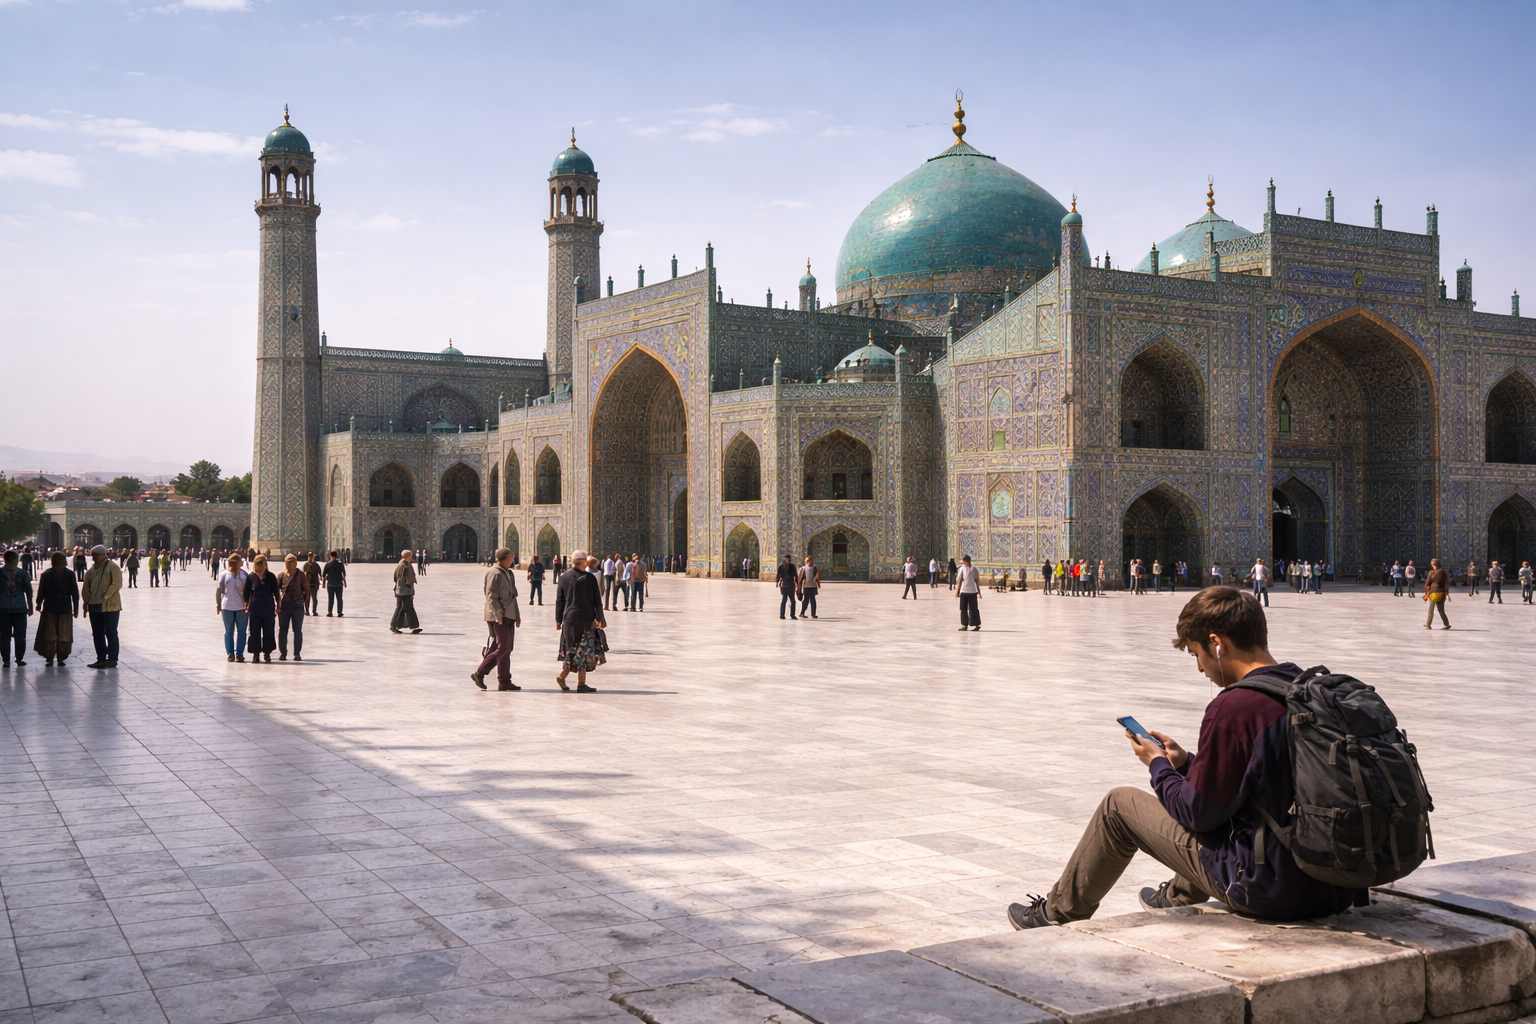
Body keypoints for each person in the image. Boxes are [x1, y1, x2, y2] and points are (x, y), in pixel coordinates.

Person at [1005, 586, 1362, 930]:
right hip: (1334, 885)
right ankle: (1177, 896)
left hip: (1270, 889)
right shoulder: (1305, 690)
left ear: (1217, 644)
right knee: (1218, 805)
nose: (1200, 668)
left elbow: (1197, 813)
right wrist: (1188, 762)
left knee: (1119, 806)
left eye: (1196, 654)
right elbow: (1261, 783)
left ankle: (1057, 912)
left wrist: (1157, 765)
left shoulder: (1236, 707)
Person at [472, 547, 522, 691]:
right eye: (512, 556)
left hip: (509, 614)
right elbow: (491, 596)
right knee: (504, 648)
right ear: (506, 558)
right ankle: (480, 672)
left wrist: (517, 615)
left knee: (506, 648)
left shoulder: (508, 573)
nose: (513, 558)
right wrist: (498, 615)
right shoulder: (494, 573)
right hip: (498, 616)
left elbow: (512, 597)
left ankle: (504, 682)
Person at [554, 550, 603, 692]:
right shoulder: (590, 578)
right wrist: (599, 618)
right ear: (584, 562)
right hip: (586, 620)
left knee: (571, 650)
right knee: (584, 651)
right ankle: (579, 683)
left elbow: (560, 600)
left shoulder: (564, 577)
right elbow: (597, 601)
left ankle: (564, 677)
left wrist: (558, 619)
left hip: (569, 619)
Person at [34, 551, 78, 666]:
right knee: (51, 634)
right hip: (51, 607)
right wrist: (39, 603)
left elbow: (74, 592)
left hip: (62, 607)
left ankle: (60, 656)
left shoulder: (69, 574)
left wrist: (76, 608)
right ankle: (51, 656)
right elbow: (42, 591)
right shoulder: (46, 575)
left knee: (62, 634)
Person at [82, 545, 122, 669]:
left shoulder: (113, 567)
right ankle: (101, 659)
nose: (93, 558)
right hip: (94, 606)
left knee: (111, 632)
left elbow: (117, 583)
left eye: (95, 556)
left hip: (109, 606)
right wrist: (86, 601)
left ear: (102, 555)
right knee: (97, 634)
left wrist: (106, 596)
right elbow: (86, 586)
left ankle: (112, 659)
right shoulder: (92, 570)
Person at [1, 549, 34, 667]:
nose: (18, 560)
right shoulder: (2, 573)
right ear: (12, 559)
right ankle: (6, 659)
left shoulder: (23, 574)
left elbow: (28, 590)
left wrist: (30, 606)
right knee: (5, 636)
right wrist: (30, 605)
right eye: (16, 558)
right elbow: (29, 591)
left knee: (19, 635)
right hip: (4, 608)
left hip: (18, 608)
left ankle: (18, 658)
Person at [242, 554, 278, 663]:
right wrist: (246, 603)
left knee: (268, 632)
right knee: (254, 633)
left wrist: (278, 604)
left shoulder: (271, 577)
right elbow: (246, 592)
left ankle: (267, 654)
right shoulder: (251, 577)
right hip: (255, 609)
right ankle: (256, 654)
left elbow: (276, 592)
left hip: (268, 609)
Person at [216, 553, 249, 662]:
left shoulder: (239, 574)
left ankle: (234, 654)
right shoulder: (239, 575)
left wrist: (218, 604)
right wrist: (218, 604)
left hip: (234, 606)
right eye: (240, 561)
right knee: (236, 631)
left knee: (234, 631)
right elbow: (219, 590)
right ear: (237, 563)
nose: (242, 562)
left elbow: (219, 590)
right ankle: (235, 654)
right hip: (233, 606)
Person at [276, 554, 309, 661]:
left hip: (297, 607)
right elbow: (275, 591)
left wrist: (305, 604)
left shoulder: (300, 575)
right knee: (283, 630)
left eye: (293, 562)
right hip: (284, 607)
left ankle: (297, 653)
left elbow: (307, 590)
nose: (291, 564)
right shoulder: (281, 575)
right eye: (289, 562)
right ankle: (283, 653)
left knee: (297, 630)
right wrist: (277, 603)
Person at [391, 550, 421, 634]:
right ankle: (414, 626)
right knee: (409, 608)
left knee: (400, 608)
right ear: (408, 556)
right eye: (410, 555)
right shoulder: (406, 565)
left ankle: (394, 625)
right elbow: (409, 579)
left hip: (399, 590)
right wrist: (411, 589)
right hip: (405, 590)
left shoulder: (400, 564)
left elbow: (395, 578)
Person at [1423, 558, 1451, 630]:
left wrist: (1426, 592)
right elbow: (1446, 582)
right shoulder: (1443, 572)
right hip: (1442, 593)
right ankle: (1446, 624)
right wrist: (1447, 593)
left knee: (1431, 610)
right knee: (1441, 610)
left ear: (1432, 565)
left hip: (1433, 593)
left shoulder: (1431, 573)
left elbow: (1428, 583)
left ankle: (1428, 624)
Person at [956, 554, 981, 631]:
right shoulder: (962, 569)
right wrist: (957, 591)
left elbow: (977, 581)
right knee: (963, 608)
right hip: (964, 591)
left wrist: (979, 592)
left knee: (973, 609)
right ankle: (964, 625)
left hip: (972, 591)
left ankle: (976, 624)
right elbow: (960, 580)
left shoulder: (974, 569)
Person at [322, 551, 346, 616]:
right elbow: (343, 574)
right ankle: (339, 612)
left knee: (330, 599)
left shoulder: (328, 564)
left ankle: (330, 612)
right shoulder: (340, 564)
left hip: (330, 584)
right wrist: (344, 582)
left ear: (331, 556)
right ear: (336, 556)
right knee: (339, 599)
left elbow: (324, 575)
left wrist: (323, 583)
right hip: (339, 584)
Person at [775, 554, 798, 619]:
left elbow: (795, 575)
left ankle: (792, 614)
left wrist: (797, 584)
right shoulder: (782, 567)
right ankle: (782, 614)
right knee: (784, 600)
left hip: (790, 585)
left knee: (792, 601)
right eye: (787, 559)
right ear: (785, 559)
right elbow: (779, 575)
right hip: (785, 585)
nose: (788, 560)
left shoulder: (791, 566)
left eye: (789, 559)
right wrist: (777, 582)